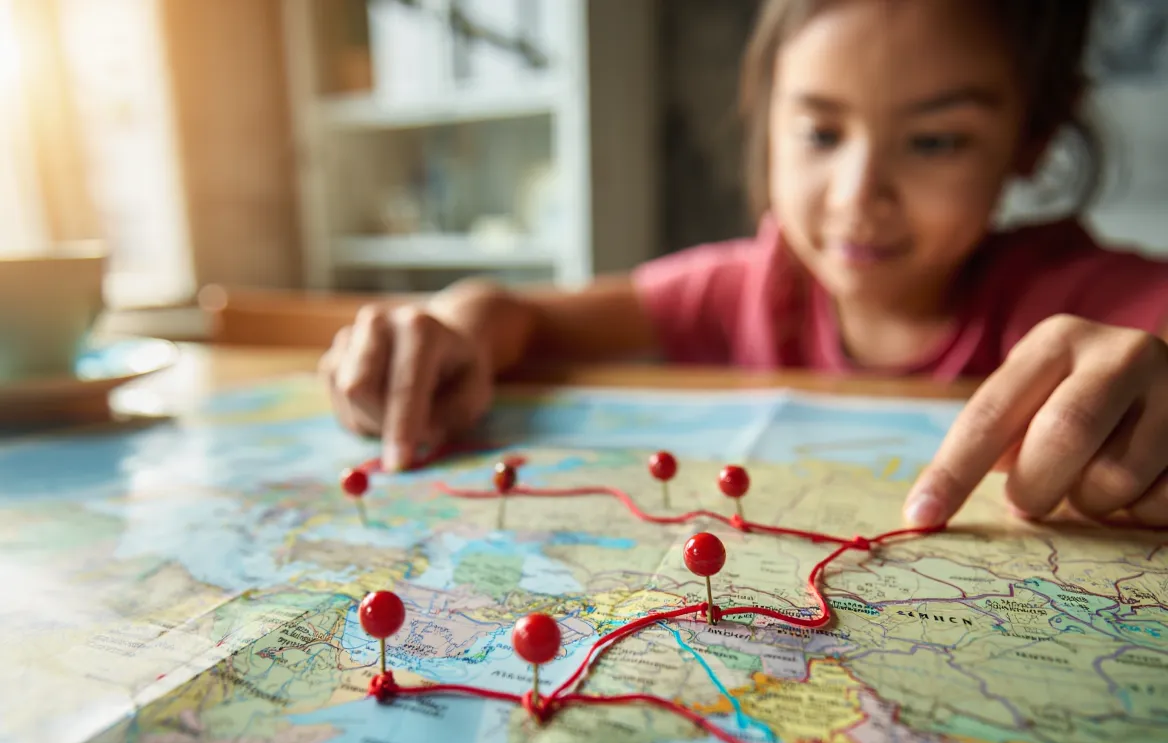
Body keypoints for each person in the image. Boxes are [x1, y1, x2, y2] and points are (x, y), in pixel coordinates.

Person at [320, 0, 1168, 529]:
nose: (856, 195)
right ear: (767, 120)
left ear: (1032, 143)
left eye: (935, 140)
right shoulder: (744, 289)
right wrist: (462, 317)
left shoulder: (1073, 294)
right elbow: (530, 318)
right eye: (821, 133)